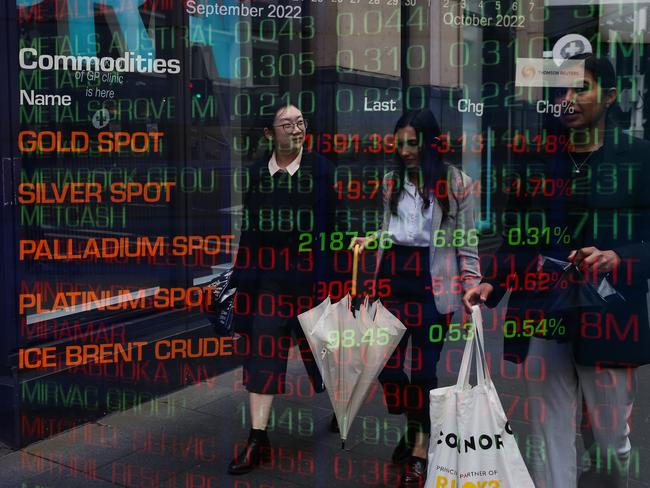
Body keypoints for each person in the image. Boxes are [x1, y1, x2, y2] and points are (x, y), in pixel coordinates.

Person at [463, 54, 650, 488]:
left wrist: (619, 258)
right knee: (549, 434)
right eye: (560, 91)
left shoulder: (639, 158)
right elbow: (519, 235)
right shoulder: (538, 160)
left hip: (609, 315)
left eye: (579, 88)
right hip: (545, 308)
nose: (567, 99)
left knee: (610, 440)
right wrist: (492, 281)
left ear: (609, 95)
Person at [353, 109, 481, 488]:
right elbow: (388, 230)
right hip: (392, 280)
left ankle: (421, 452)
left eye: (413, 143)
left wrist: (472, 287)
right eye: (401, 142)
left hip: (433, 285)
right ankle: (414, 425)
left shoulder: (457, 182)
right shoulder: (391, 181)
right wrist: (371, 240)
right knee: (389, 368)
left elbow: (467, 242)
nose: (406, 150)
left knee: (424, 372)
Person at [227, 103, 340, 475]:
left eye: (300, 122)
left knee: (325, 351)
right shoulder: (259, 173)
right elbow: (251, 231)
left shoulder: (321, 169)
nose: (296, 129)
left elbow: (336, 229)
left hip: (312, 280)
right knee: (263, 350)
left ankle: (343, 405)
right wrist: (243, 280)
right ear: (268, 133)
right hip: (270, 281)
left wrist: (337, 283)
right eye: (287, 123)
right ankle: (257, 438)